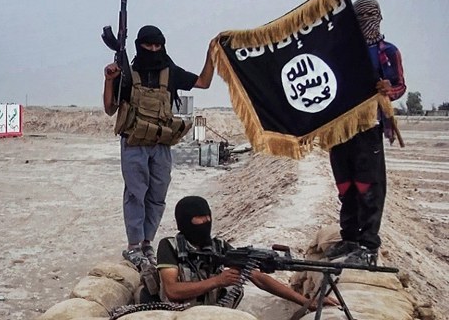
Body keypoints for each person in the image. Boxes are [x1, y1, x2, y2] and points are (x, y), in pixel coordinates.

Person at [103, 25, 215, 267]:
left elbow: (204, 82)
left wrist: (211, 55)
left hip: (161, 143)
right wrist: (109, 80)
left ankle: (147, 243)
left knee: (157, 196)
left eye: (158, 45)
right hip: (134, 142)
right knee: (135, 194)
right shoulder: (129, 73)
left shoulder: (170, 71)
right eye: (148, 45)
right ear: (139, 46)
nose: (153, 50)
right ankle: (134, 245)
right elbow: (110, 108)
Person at [325, 0, 406, 265]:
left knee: (369, 186)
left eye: (370, 18)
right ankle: (349, 238)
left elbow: (400, 86)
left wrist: (388, 89)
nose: (367, 24)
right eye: (360, 19)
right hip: (340, 129)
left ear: (378, 19)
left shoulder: (388, 52)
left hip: (369, 127)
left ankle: (369, 246)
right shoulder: (341, 52)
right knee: (345, 185)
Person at [156, 196, 339, 309]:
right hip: (176, 314)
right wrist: (217, 281)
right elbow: (172, 291)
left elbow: (259, 278)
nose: (206, 222)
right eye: (199, 219)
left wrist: (306, 302)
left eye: (208, 217)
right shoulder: (170, 246)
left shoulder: (219, 246)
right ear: (185, 221)